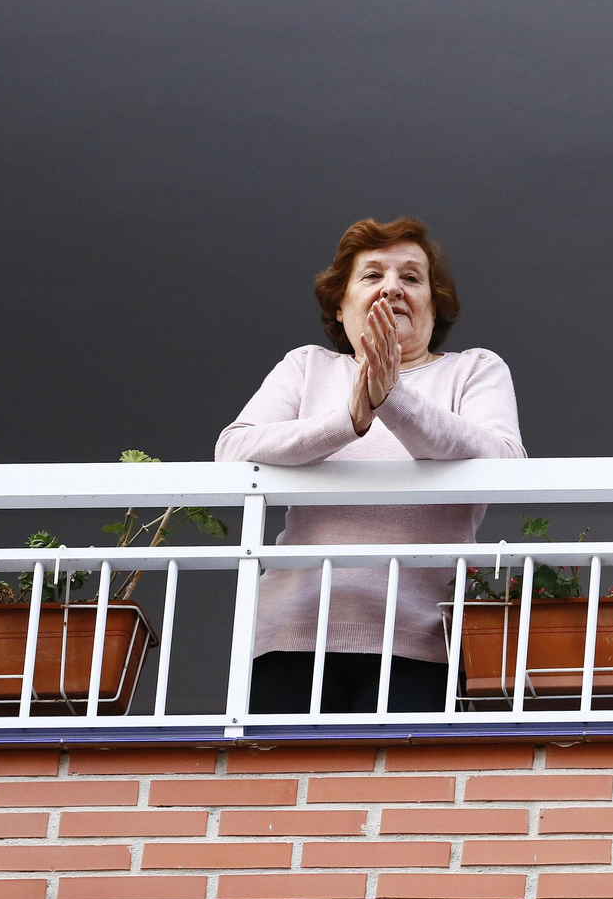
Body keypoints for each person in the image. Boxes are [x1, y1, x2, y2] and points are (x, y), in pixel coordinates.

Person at [216, 217, 524, 713]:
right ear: (341, 306)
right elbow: (234, 450)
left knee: (397, 791)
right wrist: (351, 417)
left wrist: (392, 398)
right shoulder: (308, 367)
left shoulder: (474, 370)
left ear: (433, 302)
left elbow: (504, 460)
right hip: (294, 634)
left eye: (411, 277)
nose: (392, 288)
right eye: (372, 275)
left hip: (422, 640)